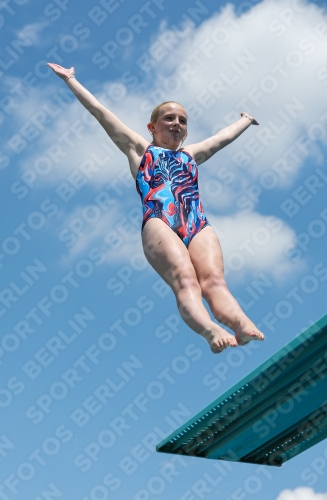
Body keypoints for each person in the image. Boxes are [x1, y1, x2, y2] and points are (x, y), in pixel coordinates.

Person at [47, 63, 264, 354]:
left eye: (183, 120)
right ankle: (210, 330)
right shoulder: (140, 149)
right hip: (159, 220)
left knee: (214, 281)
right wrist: (71, 80)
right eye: (169, 118)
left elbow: (220, 139)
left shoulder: (191, 154)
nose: (177, 123)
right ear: (152, 127)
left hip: (195, 221)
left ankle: (240, 324)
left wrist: (245, 120)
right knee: (186, 281)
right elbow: (101, 112)